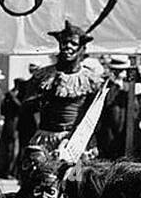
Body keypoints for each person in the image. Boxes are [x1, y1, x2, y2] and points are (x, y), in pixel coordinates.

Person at [22, 21, 110, 164]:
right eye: (64, 43)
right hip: (45, 140)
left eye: (73, 44)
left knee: (75, 181)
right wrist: (42, 98)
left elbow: (96, 115)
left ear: (82, 48)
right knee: (41, 181)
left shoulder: (91, 80)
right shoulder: (43, 76)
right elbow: (26, 107)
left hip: (76, 143)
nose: (68, 47)